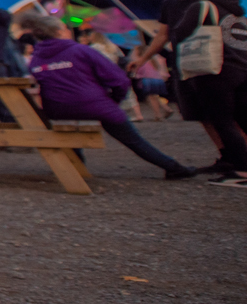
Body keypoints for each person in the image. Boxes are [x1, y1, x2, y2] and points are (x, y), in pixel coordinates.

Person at [17, 10, 197, 178]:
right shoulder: (81, 50)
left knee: (68, 127)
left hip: (58, 109)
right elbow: (118, 79)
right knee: (133, 140)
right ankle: (171, 167)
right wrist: (113, 101)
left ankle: (77, 168)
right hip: (95, 104)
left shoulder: (36, 59)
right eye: (64, 28)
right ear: (58, 31)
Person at [134, 0, 247, 182]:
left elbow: (179, 33)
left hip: (210, 66)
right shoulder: (234, 5)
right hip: (235, 65)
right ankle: (230, 157)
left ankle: (241, 166)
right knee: (224, 115)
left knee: (222, 118)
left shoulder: (202, 6)